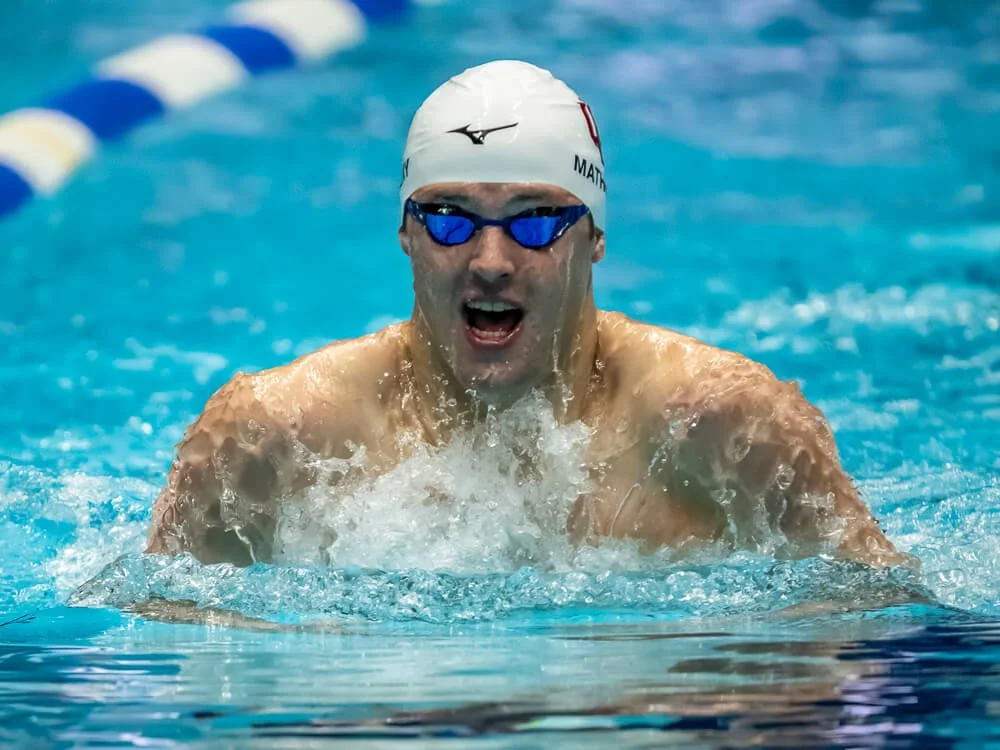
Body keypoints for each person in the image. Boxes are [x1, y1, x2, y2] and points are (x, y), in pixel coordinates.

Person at [147, 60, 906, 568]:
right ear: (406, 232)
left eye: (535, 220)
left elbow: (883, 635)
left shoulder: (723, 425)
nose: (490, 259)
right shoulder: (271, 434)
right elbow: (161, 664)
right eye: (450, 218)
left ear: (597, 237)